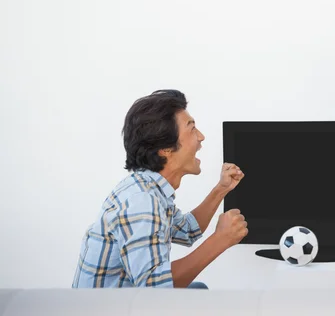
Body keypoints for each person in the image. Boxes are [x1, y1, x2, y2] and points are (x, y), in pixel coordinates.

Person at [72, 89, 248, 288]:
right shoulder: (142, 201)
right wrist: (220, 240)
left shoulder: (150, 188)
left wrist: (221, 189)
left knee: (199, 291)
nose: (201, 137)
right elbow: (154, 288)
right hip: (109, 309)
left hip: (128, 300)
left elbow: (187, 231)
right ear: (165, 148)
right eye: (191, 129)